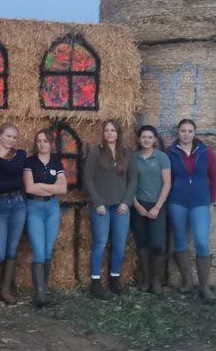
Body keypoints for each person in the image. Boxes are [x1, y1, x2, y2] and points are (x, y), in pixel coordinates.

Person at [167, 118, 216, 304]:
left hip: (199, 201)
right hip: (177, 201)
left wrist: (211, 198)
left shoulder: (206, 152)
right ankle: (188, 282)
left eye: (190, 131)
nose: (186, 134)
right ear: (178, 133)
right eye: (183, 131)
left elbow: (215, 176)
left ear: (194, 133)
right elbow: (166, 178)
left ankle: (204, 286)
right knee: (181, 240)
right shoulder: (170, 153)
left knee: (201, 241)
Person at [84, 120, 138, 299]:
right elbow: (88, 179)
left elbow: (133, 179)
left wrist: (126, 202)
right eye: (106, 130)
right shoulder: (95, 152)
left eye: (113, 130)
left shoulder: (127, 153)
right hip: (101, 207)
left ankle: (115, 279)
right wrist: (97, 202)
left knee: (120, 244)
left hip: (121, 207)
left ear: (118, 133)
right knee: (100, 243)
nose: (109, 133)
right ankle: (96, 283)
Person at [0, 122, 28, 304]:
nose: (12, 140)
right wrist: (8, 180)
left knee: (11, 249)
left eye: (15, 137)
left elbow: (14, 173)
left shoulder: (20, 154)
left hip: (18, 205)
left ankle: (5, 289)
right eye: (8, 136)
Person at [23, 130, 68, 306]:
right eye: (39, 141)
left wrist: (40, 185)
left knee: (48, 250)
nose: (42, 144)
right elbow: (29, 188)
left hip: (52, 208)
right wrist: (51, 187)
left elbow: (63, 189)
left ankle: (44, 287)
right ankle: (40, 293)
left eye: (45, 141)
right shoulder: (30, 162)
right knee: (39, 250)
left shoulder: (57, 162)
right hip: (34, 207)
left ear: (51, 144)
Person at [130, 125, 171, 294]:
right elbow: (129, 184)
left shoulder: (162, 158)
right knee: (142, 243)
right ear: (139, 139)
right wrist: (136, 205)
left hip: (157, 205)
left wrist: (158, 207)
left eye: (149, 137)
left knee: (158, 244)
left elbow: (167, 183)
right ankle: (145, 280)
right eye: (143, 137)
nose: (146, 140)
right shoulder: (133, 158)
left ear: (155, 139)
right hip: (139, 205)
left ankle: (156, 281)